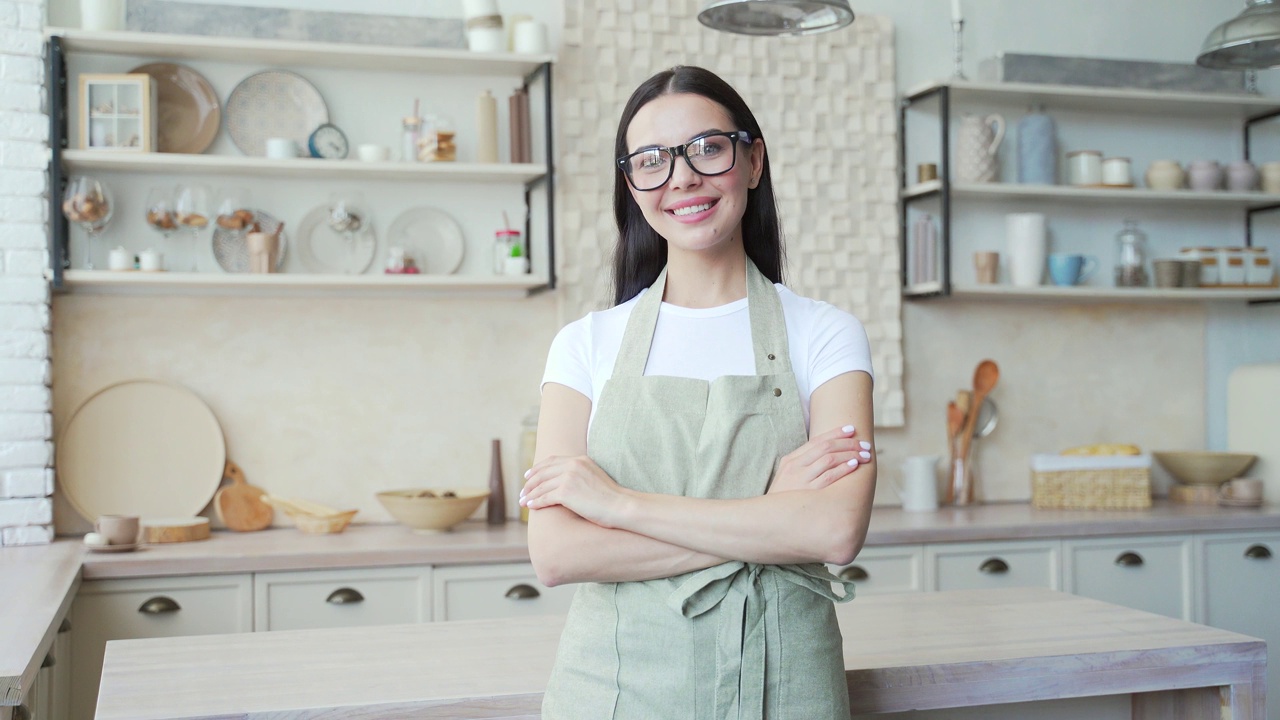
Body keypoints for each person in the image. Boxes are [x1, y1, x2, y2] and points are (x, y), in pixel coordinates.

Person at [521, 65, 877, 719]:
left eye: (707, 148)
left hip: (786, 688)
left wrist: (618, 505)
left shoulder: (824, 334)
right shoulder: (584, 345)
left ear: (753, 160)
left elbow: (832, 529)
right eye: (650, 161)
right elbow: (557, 552)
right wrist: (769, 513)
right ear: (632, 185)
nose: (681, 177)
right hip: (613, 695)